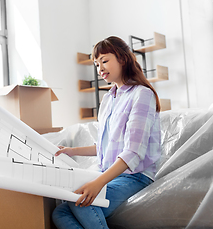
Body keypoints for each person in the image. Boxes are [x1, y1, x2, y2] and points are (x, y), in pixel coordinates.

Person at [52, 36, 162, 229]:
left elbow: (133, 153)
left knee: (79, 199)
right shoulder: (108, 99)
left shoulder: (142, 94)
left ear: (122, 58)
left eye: (104, 61)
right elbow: (103, 146)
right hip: (112, 174)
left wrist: (98, 183)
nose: (100, 68)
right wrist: (72, 150)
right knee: (59, 212)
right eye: (96, 64)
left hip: (136, 176)